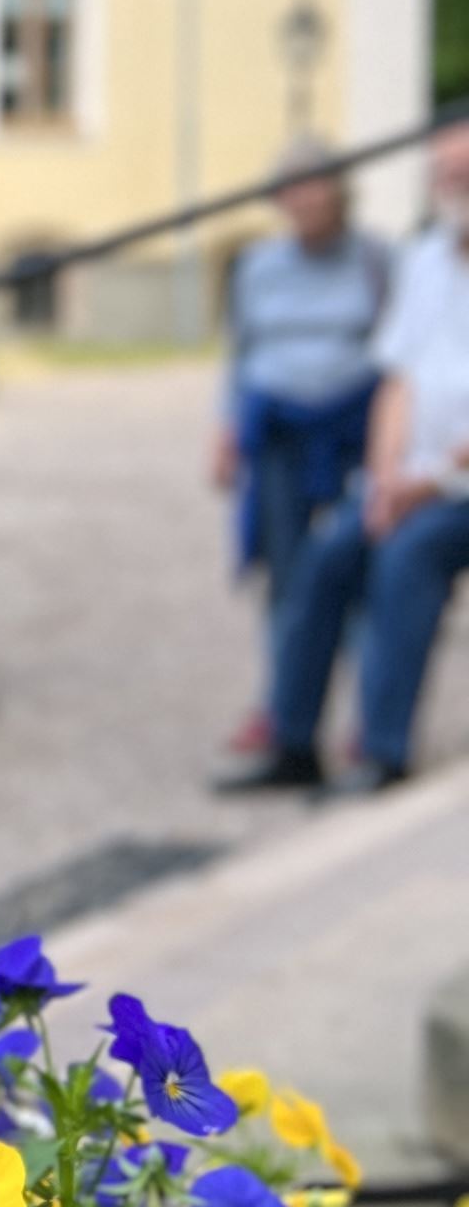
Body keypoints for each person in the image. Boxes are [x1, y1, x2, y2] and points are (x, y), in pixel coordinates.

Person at [222, 122, 469, 797]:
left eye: (464, 172)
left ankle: (384, 748)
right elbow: (398, 379)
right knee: (321, 561)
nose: (454, 185)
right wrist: (386, 477)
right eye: (444, 173)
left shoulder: (384, 259)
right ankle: (293, 740)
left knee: (405, 559)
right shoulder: (425, 260)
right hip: (411, 480)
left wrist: (423, 485)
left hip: (454, 488)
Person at [211, 144, 390, 755]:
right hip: (279, 435)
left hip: (352, 432)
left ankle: (369, 713)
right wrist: (226, 430)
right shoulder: (258, 267)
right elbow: (240, 354)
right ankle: (283, 708)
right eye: (294, 189)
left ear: (341, 192)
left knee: (357, 571)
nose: (307, 200)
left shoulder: (376, 260)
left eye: (317, 186)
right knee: (284, 577)